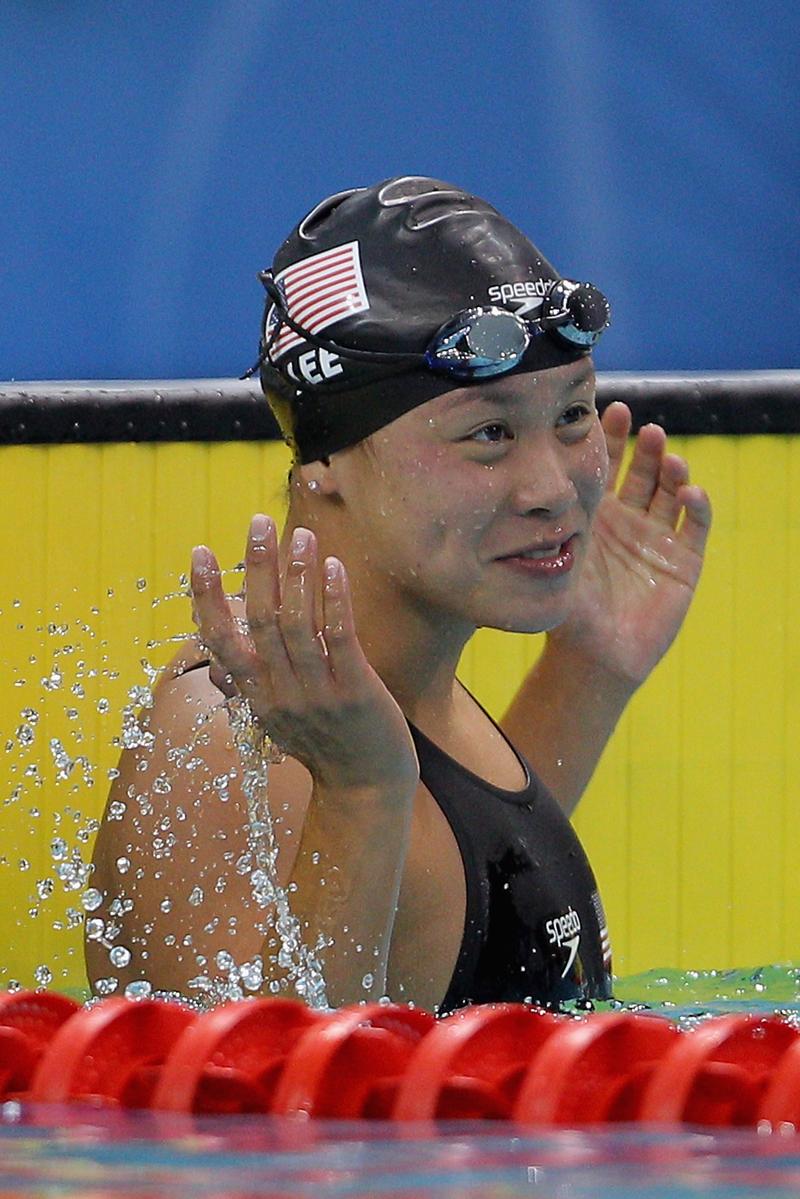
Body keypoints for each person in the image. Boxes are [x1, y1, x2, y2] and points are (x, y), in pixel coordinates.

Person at [87, 176, 711, 1012]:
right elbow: (244, 1115)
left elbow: (471, 908)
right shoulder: (227, 728)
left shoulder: (394, 696)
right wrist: (358, 796)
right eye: (489, 433)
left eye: (571, 416)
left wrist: (591, 669)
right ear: (327, 460)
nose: (553, 486)